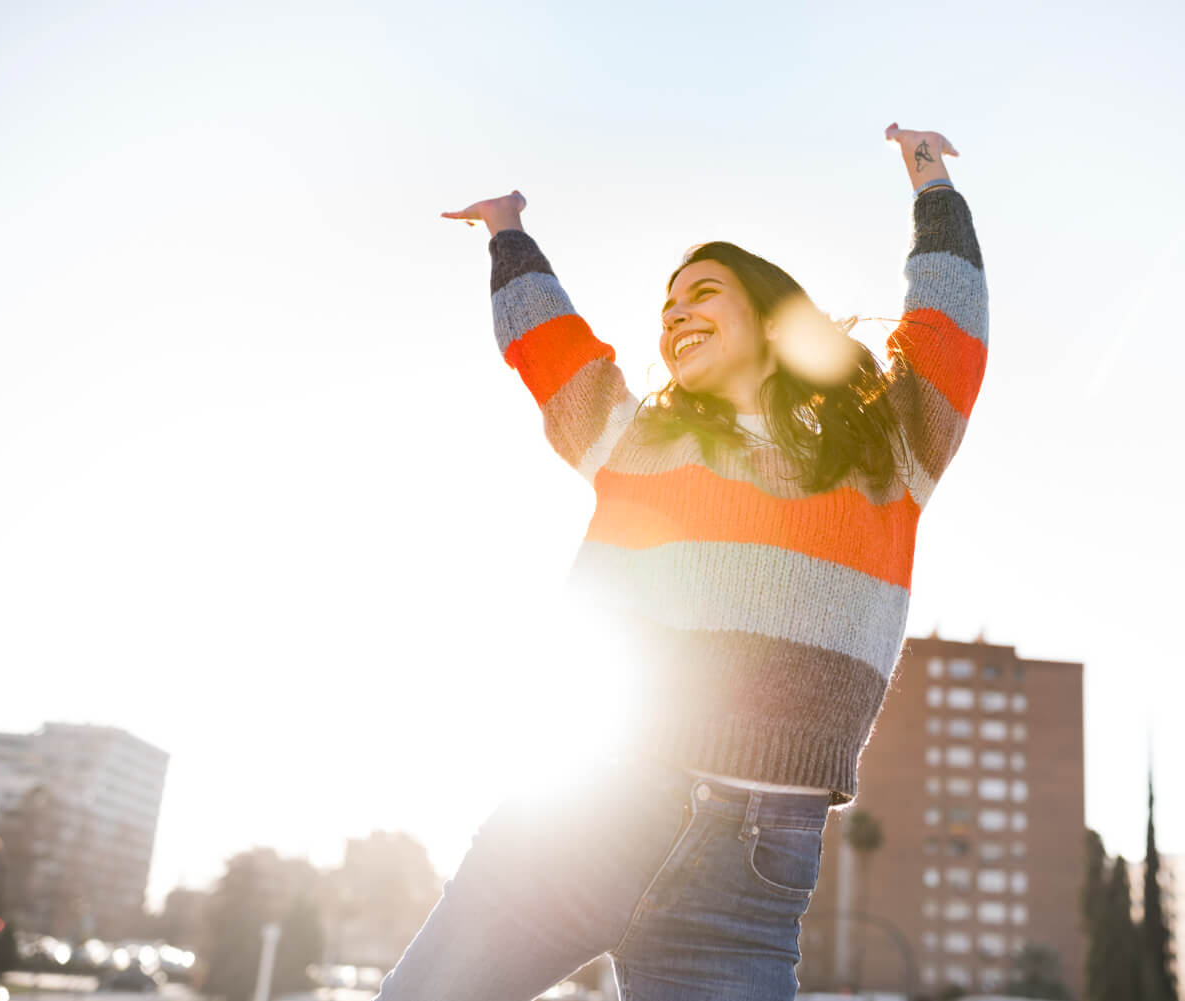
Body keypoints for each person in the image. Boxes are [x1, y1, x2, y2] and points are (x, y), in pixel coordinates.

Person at [378, 122, 987, 1001]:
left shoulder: (890, 456)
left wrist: (930, 182)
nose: (674, 315)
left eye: (702, 292)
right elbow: (552, 348)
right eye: (665, 307)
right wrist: (508, 233)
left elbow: (949, 330)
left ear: (772, 318)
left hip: (746, 873)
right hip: (584, 817)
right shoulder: (636, 443)